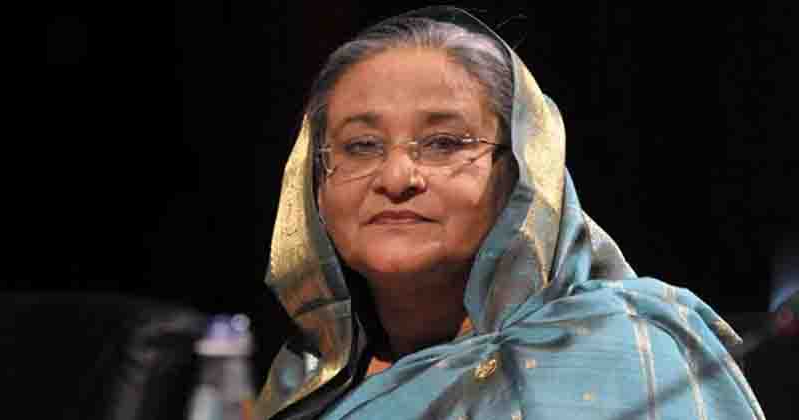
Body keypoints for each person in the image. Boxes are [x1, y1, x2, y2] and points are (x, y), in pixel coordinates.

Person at [256, 6, 765, 419]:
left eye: (444, 143)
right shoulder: (305, 386)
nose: (396, 177)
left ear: (522, 176)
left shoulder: (617, 351)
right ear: (315, 187)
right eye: (361, 146)